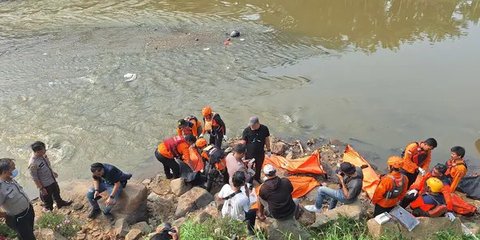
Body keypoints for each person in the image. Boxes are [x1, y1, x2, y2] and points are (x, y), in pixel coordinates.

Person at [28, 141, 72, 212]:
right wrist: (41, 188)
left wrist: (53, 172)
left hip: (52, 179)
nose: (45, 150)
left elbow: (47, 165)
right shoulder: (33, 164)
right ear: (38, 151)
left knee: (57, 192)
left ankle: (60, 203)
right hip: (45, 184)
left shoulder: (43, 155)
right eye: (43, 149)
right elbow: (35, 178)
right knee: (48, 200)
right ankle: (48, 211)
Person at [0, 158, 36, 240]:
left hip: (28, 210)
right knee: (28, 237)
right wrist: (5, 215)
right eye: (13, 168)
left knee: (28, 232)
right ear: (5, 172)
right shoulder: (1, 188)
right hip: (19, 219)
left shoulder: (9, 179)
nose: (15, 169)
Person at [216, 171, 257, 235]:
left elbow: (218, 198)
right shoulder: (243, 198)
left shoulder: (226, 187)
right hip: (235, 219)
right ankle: (250, 231)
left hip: (225, 213)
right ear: (243, 183)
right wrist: (248, 194)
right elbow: (248, 209)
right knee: (253, 212)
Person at [241, 116, 271, 183]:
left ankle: (257, 178)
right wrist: (241, 154)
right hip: (249, 154)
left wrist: (268, 150)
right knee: (249, 168)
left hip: (260, 153)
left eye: (253, 126)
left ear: (257, 123)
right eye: (250, 125)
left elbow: (267, 140)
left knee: (259, 167)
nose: (251, 127)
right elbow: (243, 142)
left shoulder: (264, 129)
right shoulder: (246, 130)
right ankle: (249, 181)